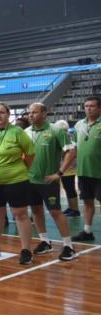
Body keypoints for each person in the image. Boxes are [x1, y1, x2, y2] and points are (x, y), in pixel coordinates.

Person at [0, 102, 36, 265]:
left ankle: (27, 250)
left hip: (16, 179)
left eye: (2, 113)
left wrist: (22, 169)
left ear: (8, 114)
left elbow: (30, 153)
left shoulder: (17, 132)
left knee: (20, 214)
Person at [25, 103, 77, 260]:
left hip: (49, 181)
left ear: (44, 114)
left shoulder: (56, 130)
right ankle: (45, 242)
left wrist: (59, 173)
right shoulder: (26, 132)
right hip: (30, 180)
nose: (31, 115)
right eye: (29, 113)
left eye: (34, 112)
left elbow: (71, 151)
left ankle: (68, 246)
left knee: (55, 212)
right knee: (36, 211)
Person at [73, 95, 101, 242]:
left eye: (92, 106)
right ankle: (87, 231)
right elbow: (75, 148)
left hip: (99, 172)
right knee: (87, 202)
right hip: (84, 172)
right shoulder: (79, 125)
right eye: (86, 106)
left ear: (99, 108)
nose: (88, 109)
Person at [54, 120, 81, 217]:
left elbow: (70, 154)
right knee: (67, 188)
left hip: (68, 169)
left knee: (69, 189)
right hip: (66, 168)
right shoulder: (68, 138)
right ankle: (71, 207)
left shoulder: (67, 139)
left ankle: (75, 210)